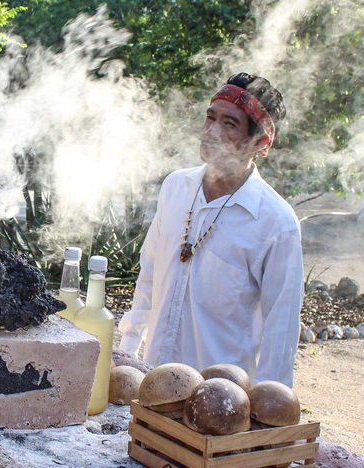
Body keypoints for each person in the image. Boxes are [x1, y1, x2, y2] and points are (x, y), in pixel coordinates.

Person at [118, 72, 303, 387]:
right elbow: (149, 277)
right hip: (151, 383)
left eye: (229, 124)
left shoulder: (276, 223)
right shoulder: (176, 186)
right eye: (209, 118)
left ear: (259, 142)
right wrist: (128, 354)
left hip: (218, 403)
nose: (211, 131)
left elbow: (280, 331)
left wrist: (268, 412)